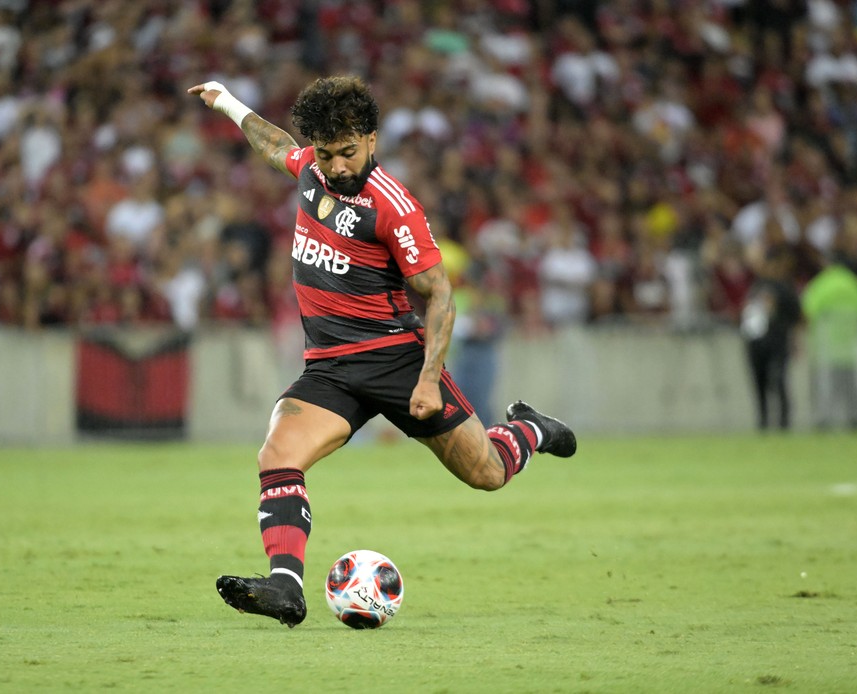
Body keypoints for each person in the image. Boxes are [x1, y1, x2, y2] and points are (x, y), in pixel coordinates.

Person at [187, 75, 577, 628]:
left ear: (372, 140)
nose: (339, 166)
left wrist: (426, 378)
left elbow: (440, 293)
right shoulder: (311, 173)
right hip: (329, 368)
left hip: (395, 360)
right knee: (277, 455)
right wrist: (225, 101)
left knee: (486, 474)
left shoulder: (393, 207)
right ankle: (285, 587)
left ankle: (532, 429)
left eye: (349, 152)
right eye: (327, 153)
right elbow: (273, 142)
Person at [801, 260, 857, 429]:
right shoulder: (853, 283)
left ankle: (824, 420)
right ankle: (856, 419)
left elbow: (808, 310)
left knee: (826, 389)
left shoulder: (822, 283)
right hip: (851, 349)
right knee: (852, 389)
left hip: (826, 348)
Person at [739, 246, 802, 430]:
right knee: (759, 382)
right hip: (756, 341)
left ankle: (784, 422)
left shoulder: (786, 289)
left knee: (779, 379)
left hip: (778, 341)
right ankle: (763, 421)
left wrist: (795, 341)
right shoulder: (756, 287)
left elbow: (796, 317)